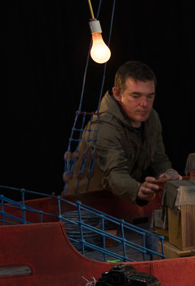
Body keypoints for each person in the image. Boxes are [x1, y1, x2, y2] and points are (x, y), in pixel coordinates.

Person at [64, 61, 180, 204]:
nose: (144, 104)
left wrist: (169, 174)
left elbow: (159, 160)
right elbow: (114, 174)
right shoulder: (103, 125)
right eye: (136, 96)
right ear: (117, 94)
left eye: (150, 96)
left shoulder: (151, 118)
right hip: (82, 206)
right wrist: (138, 190)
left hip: (119, 202)